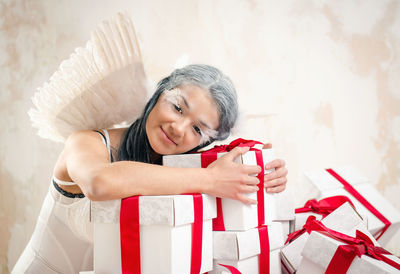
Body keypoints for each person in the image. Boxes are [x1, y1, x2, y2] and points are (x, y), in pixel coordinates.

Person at [12, 64, 288, 273]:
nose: (178, 129)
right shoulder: (86, 142)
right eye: (178, 108)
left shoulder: (183, 168)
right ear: (159, 94)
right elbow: (99, 183)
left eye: (197, 129)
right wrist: (210, 178)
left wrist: (262, 174)